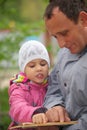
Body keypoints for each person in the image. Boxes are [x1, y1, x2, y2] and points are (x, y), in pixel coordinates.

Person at [42, 0, 87, 130]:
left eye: (64, 33)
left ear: (83, 20)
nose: (61, 44)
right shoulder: (64, 54)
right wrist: (54, 107)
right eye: (56, 37)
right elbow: (53, 88)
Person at [8, 40, 58, 130]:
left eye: (43, 64)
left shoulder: (53, 85)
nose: (39, 68)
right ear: (24, 69)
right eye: (32, 66)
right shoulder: (19, 88)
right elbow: (17, 108)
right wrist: (34, 113)